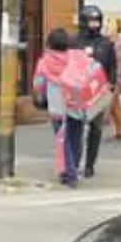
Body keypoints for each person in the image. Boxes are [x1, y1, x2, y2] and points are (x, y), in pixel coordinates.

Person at [31, 28, 87, 186]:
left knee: (63, 140)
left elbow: (38, 84)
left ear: (49, 44)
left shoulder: (44, 61)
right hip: (77, 104)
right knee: (76, 137)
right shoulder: (75, 58)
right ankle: (73, 168)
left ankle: (69, 174)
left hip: (57, 107)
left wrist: (40, 98)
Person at [75, 5, 117, 177]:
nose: (94, 25)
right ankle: (74, 162)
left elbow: (112, 66)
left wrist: (111, 85)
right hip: (77, 91)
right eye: (91, 21)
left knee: (96, 128)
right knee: (76, 129)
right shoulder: (74, 42)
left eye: (96, 21)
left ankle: (90, 164)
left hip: (98, 92)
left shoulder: (105, 43)